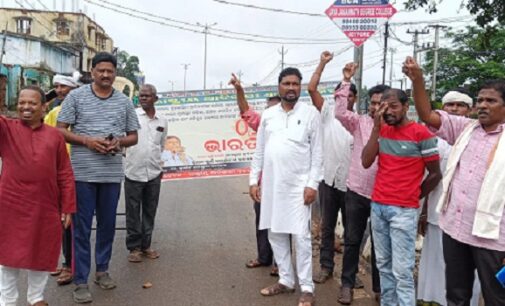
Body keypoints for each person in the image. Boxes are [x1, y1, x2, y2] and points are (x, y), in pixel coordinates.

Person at [404, 56, 505, 305]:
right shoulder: (465, 128)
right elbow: (427, 115)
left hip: (492, 238)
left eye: (490, 101)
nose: (482, 105)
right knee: (456, 295)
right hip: (456, 230)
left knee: (496, 298)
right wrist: (418, 79)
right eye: (480, 100)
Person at [57, 52, 140, 304]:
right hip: (82, 174)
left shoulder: (123, 102)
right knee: (81, 229)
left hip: (111, 174)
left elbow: (133, 136)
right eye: (101, 70)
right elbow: (60, 131)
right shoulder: (75, 97)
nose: (105, 75)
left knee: (107, 225)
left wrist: (118, 142)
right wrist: (87, 141)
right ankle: (80, 280)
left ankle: (102, 270)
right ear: (92, 72)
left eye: (110, 71)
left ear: (115, 74)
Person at [361, 87, 442, 306]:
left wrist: (414, 195)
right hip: (378, 206)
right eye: (383, 106)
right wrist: (376, 129)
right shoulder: (383, 131)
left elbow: (435, 174)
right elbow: (366, 161)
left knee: (402, 272)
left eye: (393, 106)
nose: (387, 111)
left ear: (406, 107)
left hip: (404, 211)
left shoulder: (422, 134)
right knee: (384, 266)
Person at [250, 67, 322, 306]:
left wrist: (312, 184)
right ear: (279, 87)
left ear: (300, 87)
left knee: (301, 237)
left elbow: (318, 153)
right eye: (287, 83)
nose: (291, 88)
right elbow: (259, 150)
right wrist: (253, 180)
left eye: (295, 84)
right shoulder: (269, 114)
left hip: (299, 187)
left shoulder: (311, 113)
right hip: (272, 186)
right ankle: (285, 280)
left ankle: (307, 287)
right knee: (276, 233)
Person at [0, 86, 76, 306]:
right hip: (10, 204)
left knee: (41, 254)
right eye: (21, 102)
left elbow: (64, 173)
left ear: (44, 108)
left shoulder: (55, 136)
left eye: (32, 103)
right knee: (7, 257)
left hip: (45, 206)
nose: (25, 107)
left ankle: (36, 298)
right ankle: (7, 301)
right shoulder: (7, 129)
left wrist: (68, 206)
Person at [416, 88, 481, 306]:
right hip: (437, 212)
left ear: (469, 110)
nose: (454, 109)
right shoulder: (431, 138)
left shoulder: (478, 136)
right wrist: (422, 211)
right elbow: (427, 176)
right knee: (435, 263)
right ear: (443, 109)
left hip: (471, 219)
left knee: (466, 272)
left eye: (459, 105)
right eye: (450, 105)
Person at [334, 63, 388, 303]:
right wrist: (346, 81)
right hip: (356, 191)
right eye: (373, 102)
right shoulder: (359, 122)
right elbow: (339, 113)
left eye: (381, 102)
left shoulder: (395, 126)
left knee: (380, 245)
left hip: (383, 195)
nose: (376, 107)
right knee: (353, 240)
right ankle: (347, 284)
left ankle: (379, 288)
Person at [307, 51, 353, 285]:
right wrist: (322, 63)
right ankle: (326, 267)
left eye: (348, 95)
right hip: (328, 181)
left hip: (351, 184)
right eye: (340, 94)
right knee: (326, 228)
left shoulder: (358, 120)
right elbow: (312, 89)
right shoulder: (327, 115)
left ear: (353, 99)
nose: (343, 98)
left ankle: (350, 274)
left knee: (351, 233)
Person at [229, 73, 280, 276]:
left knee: (281, 225)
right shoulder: (263, 124)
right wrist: (239, 90)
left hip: (284, 185)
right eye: (268, 109)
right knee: (262, 221)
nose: (270, 113)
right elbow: (245, 111)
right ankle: (264, 257)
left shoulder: (295, 127)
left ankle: (280, 263)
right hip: (263, 185)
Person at [44, 73, 80, 286]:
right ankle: (63, 260)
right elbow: (46, 139)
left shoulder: (83, 112)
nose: (59, 90)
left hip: (77, 171)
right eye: (56, 87)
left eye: (63, 87)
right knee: (58, 221)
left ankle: (70, 265)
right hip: (56, 172)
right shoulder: (54, 112)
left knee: (71, 221)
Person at [124, 84, 167, 262]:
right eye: (141, 96)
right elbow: (123, 140)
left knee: (150, 210)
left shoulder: (162, 121)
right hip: (133, 171)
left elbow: (161, 144)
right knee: (133, 211)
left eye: (147, 96)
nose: (143, 98)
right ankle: (134, 247)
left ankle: (146, 245)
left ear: (155, 98)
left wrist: (157, 165)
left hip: (154, 173)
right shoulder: (132, 117)